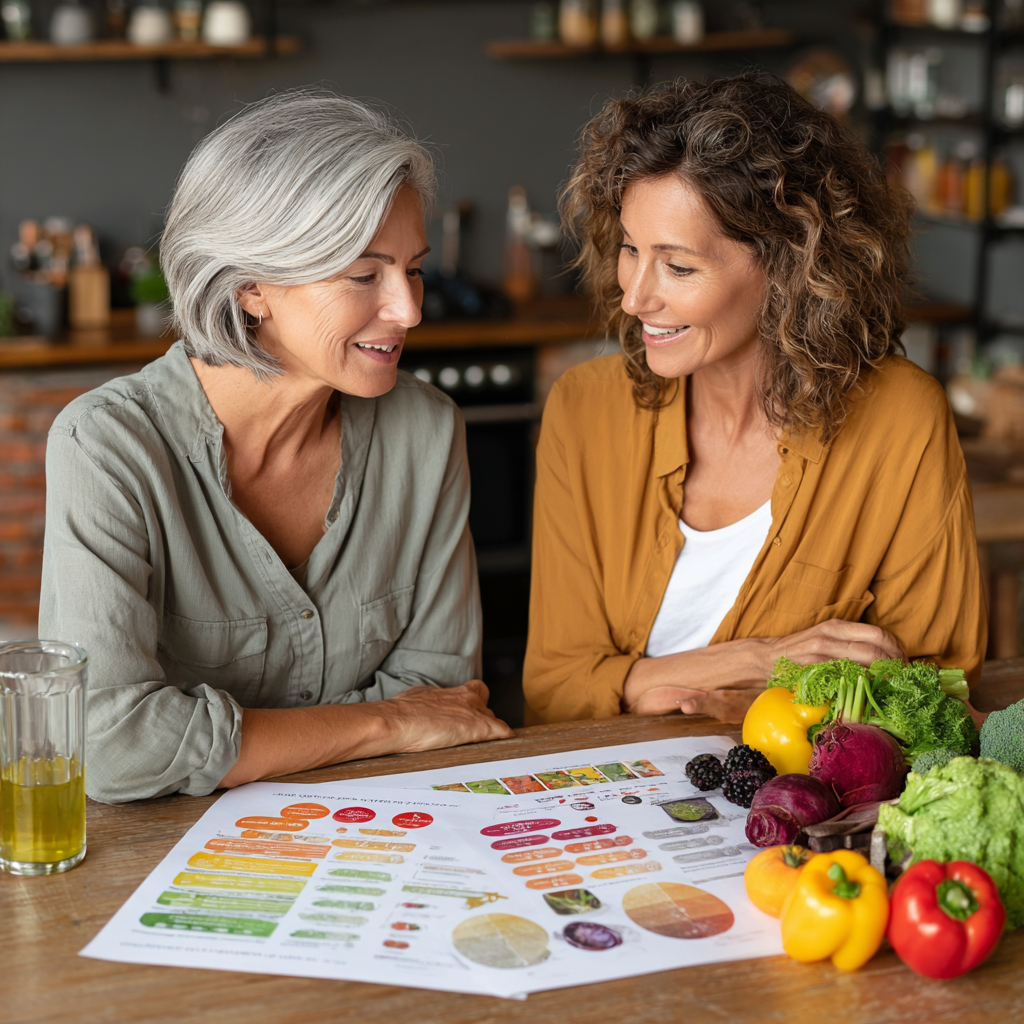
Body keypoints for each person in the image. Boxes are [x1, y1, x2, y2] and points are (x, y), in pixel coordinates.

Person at [40, 91, 513, 803]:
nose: (410, 309)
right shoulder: (109, 447)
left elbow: (445, 695)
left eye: (413, 268)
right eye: (364, 274)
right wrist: (385, 721)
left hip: (387, 827)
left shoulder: (427, 430)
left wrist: (219, 742)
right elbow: (107, 744)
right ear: (252, 285)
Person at [523, 74, 986, 726]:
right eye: (631, 250)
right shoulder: (584, 409)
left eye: (678, 267)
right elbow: (558, 688)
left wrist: (648, 682)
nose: (635, 297)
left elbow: (936, 693)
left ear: (791, 265)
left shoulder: (901, 419)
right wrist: (769, 660)